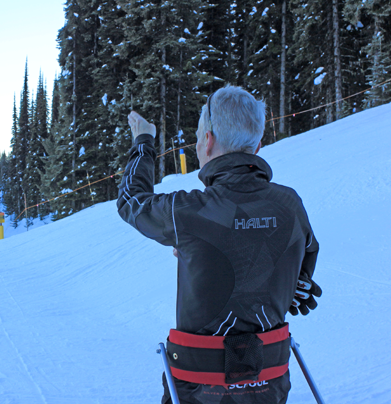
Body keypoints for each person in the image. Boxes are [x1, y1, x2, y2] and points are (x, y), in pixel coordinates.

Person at [117, 86, 321, 404]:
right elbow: (306, 254)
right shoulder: (290, 204)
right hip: (270, 383)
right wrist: (295, 282)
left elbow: (132, 201)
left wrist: (143, 142)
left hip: (199, 388)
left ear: (208, 142)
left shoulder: (192, 210)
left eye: (199, 139)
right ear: (258, 145)